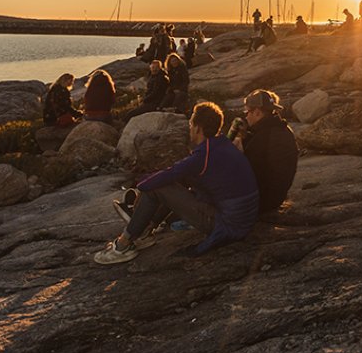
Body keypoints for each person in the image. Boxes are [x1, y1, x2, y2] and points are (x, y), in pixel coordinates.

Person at [95, 101, 260, 264]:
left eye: (191, 123)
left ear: (197, 127)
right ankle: (145, 230)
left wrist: (141, 187)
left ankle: (123, 245)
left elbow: (169, 174)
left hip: (227, 224)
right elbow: (179, 174)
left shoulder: (203, 155)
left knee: (158, 186)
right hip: (242, 218)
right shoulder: (222, 145)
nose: (189, 128)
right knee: (170, 181)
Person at [232, 90, 299, 215]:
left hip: (261, 202)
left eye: (247, 112)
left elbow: (249, 170)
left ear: (257, 112)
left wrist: (238, 153)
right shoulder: (282, 129)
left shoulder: (264, 136)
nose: (246, 117)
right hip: (275, 197)